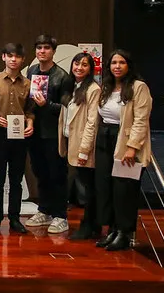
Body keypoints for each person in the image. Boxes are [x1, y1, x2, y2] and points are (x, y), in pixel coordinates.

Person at [94, 50, 152, 251]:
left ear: (129, 65)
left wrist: (132, 147)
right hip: (104, 139)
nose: (117, 66)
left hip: (125, 143)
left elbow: (141, 120)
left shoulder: (138, 87)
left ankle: (124, 233)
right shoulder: (106, 87)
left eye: (122, 62)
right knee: (106, 187)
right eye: (113, 63)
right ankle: (112, 229)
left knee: (123, 190)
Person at [0, 43, 35, 234]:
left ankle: (15, 218)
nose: (13, 59)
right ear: (3, 57)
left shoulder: (29, 84)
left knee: (16, 178)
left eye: (17, 56)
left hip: (20, 134)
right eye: (10, 55)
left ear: (23, 60)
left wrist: (30, 123)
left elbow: (31, 110)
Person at [25, 34, 71, 234]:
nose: (42, 51)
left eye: (46, 48)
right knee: (40, 172)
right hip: (35, 132)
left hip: (54, 133)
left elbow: (68, 108)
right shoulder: (32, 70)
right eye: (39, 48)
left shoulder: (62, 76)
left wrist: (47, 105)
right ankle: (44, 210)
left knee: (57, 173)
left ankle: (61, 215)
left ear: (53, 51)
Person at [58, 52, 101, 240]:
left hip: (84, 145)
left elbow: (93, 122)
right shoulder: (72, 87)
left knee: (89, 188)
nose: (79, 68)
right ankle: (92, 225)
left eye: (84, 65)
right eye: (76, 64)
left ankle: (89, 225)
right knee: (85, 185)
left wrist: (85, 150)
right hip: (70, 141)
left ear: (90, 69)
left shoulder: (92, 89)